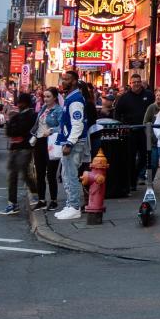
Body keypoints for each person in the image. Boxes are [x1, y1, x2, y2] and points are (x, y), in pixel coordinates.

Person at [54, 69, 90, 221]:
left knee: (70, 175)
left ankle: (74, 206)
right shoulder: (70, 98)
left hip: (74, 144)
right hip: (72, 142)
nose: (63, 82)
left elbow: (78, 124)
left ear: (74, 81)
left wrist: (69, 143)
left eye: (67, 79)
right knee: (66, 175)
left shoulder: (75, 100)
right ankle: (70, 204)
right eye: (63, 79)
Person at [0, 93, 37, 216]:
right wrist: (13, 124)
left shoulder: (30, 116)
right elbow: (9, 131)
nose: (19, 104)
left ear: (25, 103)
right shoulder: (17, 116)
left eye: (21, 102)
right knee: (14, 175)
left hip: (24, 148)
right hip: (15, 148)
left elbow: (21, 130)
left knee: (22, 173)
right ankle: (13, 203)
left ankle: (34, 194)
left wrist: (14, 125)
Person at [114, 73, 152, 185]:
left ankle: (137, 174)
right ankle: (131, 181)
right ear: (130, 84)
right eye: (134, 82)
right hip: (130, 131)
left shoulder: (149, 95)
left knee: (145, 156)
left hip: (145, 131)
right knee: (130, 157)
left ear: (141, 83)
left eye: (138, 82)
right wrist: (120, 126)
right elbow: (117, 113)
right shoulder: (124, 98)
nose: (136, 84)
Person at [30, 87, 62, 210]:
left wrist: (51, 130)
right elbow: (38, 124)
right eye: (44, 96)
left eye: (48, 96)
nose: (46, 99)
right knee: (40, 173)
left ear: (55, 97)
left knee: (51, 173)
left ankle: (53, 200)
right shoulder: (43, 108)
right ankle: (42, 200)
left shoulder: (58, 110)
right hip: (39, 141)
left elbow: (62, 126)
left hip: (51, 142)